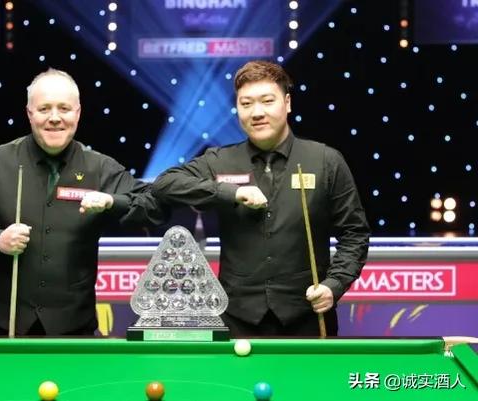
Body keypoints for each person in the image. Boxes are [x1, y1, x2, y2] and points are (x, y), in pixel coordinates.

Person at [151, 60, 370, 336]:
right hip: (237, 320)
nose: (257, 113)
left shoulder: (326, 160)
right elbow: (164, 184)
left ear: (287, 103)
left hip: (307, 318)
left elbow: (355, 233)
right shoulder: (219, 160)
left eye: (267, 101)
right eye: (246, 104)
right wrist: (231, 192)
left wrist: (334, 285)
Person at [0, 68, 166, 336]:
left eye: (64, 108)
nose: (55, 117)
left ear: (77, 113)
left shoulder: (100, 168)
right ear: (30, 113)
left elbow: (154, 205)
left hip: (72, 330)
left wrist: (112, 201)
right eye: (44, 109)